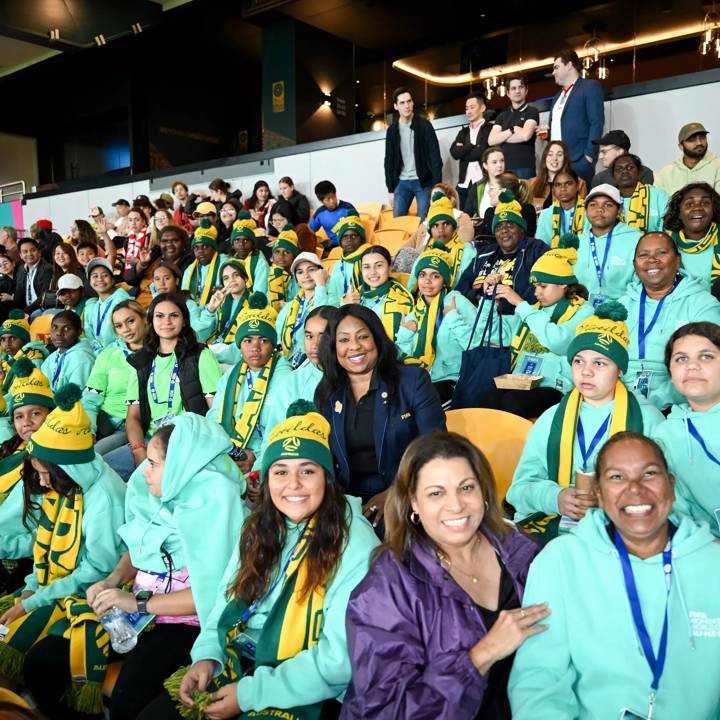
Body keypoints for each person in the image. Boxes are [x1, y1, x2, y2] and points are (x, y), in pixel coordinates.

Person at [151, 401, 379, 720]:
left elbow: (338, 661)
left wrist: (249, 694)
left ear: (327, 478)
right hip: (245, 660)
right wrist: (207, 656)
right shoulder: (257, 527)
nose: (293, 484)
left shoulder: (355, 543)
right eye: (281, 471)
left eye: (308, 471)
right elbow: (226, 600)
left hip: (312, 686)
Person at [34, 414, 245, 720]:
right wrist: (112, 581)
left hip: (183, 624)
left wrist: (137, 603)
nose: (144, 472)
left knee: (126, 702)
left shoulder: (214, 507)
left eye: (154, 464)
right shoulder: (156, 496)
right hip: (137, 610)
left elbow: (210, 598)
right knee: (43, 660)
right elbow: (140, 549)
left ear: (181, 467)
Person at [509, 432, 720, 720]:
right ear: (598, 492)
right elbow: (539, 681)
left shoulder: (712, 563)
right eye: (617, 477)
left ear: (671, 486)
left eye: (649, 474)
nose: (635, 489)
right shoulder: (560, 561)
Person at [343, 431, 546, 720]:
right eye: (436, 493)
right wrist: (481, 656)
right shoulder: (386, 588)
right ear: (413, 502)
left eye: (466, 488)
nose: (456, 505)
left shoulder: (519, 550)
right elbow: (386, 711)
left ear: (484, 492)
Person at [0, 384, 126, 718]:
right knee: (4, 635)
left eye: (44, 476)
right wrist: (30, 585)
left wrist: (33, 601)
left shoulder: (103, 498)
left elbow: (95, 571)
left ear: (64, 470)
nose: (41, 484)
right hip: (55, 585)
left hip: (93, 595)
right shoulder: (68, 481)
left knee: (43, 665)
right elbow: (48, 545)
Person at [507, 302, 664, 543]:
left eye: (599, 363)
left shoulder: (648, 421)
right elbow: (518, 490)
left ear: (619, 370)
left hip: (624, 528)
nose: (586, 372)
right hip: (559, 523)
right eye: (578, 361)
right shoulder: (551, 418)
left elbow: (666, 492)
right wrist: (555, 498)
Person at [314, 304, 446, 526]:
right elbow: (324, 459)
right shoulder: (327, 391)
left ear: (377, 339)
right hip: (347, 499)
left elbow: (437, 450)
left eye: (363, 337)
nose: (354, 346)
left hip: (407, 491)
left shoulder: (412, 381)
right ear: (333, 347)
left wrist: (396, 493)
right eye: (344, 340)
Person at [104, 293, 223, 481]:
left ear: (184, 321)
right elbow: (133, 417)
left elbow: (216, 411)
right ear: (151, 320)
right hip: (150, 440)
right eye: (159, 316)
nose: (166, 321)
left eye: (174, 315)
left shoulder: (200, 355)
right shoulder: (143, 360)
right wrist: (139, 452)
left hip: (187, 442)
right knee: (103, 470)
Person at [480, 235, 593, 418]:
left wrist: (520, 304)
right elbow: (490, 334)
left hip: (555, 386)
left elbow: (559, 341)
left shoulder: (584, 311)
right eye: (535, 287)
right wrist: (488, 299)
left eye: (543, 286)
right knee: (488, 399)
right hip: (521, 381)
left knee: (513, 403)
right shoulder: (533, 311)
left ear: (563, 283)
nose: (537, 292)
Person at [618, 233, 720, 410]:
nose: (652, 260)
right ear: (635, 265)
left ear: (677, 261)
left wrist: (658, 400)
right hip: (621, 395)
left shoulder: (702, 304)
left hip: (680, 399)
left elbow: (709, 365)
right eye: (644, 255)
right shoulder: (620, 306)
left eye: (661, 253)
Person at [208, 293, 292, 476]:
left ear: (273, 345)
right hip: (230, 453)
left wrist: (256, 459)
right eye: (248, 340)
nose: (255, 347)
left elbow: (281, 431)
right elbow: (215, 419)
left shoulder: (284, 377)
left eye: (263, 340)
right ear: (239, 345)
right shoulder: (230, 377)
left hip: (268, 458)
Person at [652, 322, 720, 536]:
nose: (692, 366)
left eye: (706, 356)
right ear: (671, 373)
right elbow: (675, 512)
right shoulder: (664, 436)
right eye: (681, 358)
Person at [456, 194, 548, 344]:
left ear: (522, 229)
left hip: (513, 321)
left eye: (510, 225)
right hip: (476, 316)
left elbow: (540, 290)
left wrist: (503, 305)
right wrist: (483, 301)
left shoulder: (536, 250)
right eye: (499, 227)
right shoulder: (484, 253)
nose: (504, 230)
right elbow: (461, 289)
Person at [0, 359, 55, 593]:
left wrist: (4, 546)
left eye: (35, 413)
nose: (27, 423)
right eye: (19, 416)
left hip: (17, 558)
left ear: (51, 415)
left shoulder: (55, 467)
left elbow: (49, 534)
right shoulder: (14, 451)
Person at [397, 249, 477, 406]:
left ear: (445, 281)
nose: (427, 281)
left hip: (452, 379)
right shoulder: (416, 309)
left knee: (423, 407)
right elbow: (401, 355)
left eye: (435, 276)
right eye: (422, 275)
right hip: (421, 378)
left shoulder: (458, 302)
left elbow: (475, 345)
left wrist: (454, 319)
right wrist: (405, 334)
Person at [82, 300, 148, 457]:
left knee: (94, 459)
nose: (126, 330)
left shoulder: (161, 350)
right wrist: (89, 431)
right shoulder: (108, 354)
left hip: (135, 426)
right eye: (119, 326)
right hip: (103, 423)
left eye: (130, 321)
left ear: (145, 319)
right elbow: (91, 398)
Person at [573, 183, 643, 305]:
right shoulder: (575, 242)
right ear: (586, 210)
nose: (599, 209)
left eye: (608, 205)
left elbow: (641, 285)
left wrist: (614, 307)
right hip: (580, 310)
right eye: (593, 205)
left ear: (619, 210)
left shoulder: (637, 240)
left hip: (624, 311)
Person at [546, 49, 604, 185]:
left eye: (556, 67)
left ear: (569, 65)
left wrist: (589, 156)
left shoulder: (590, 87)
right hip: (556, 164)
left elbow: (596, 122)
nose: (553, 72)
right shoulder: (556, 97)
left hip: (579, 161)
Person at [384, 86, 442, 219]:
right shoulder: (392, 130)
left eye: (409, 101)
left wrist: (436, 186)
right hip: (402, 182)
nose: (407, 106)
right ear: (396, 106)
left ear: (413, 103)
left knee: (424, 221)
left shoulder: (424, 126)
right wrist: (391, 189)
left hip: (423, 181)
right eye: (402, 103)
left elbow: (435, 158)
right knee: (398, 221)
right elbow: (389, 161)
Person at [408, 195, 477, 292]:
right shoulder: (424, 252)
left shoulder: (467, 250)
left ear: (453, 227)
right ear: (430, 230)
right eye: (436, 225)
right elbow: (411, 286)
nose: (441, 230)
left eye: (446, 224)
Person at [276, 251, 331, 368]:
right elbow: (278, 338)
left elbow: (319, 321)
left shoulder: (332, 300)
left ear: (321, 272)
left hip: (317, 361)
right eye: (300, 272)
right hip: (287, 361)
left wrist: (321, 286)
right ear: (296, 278)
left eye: (311, 270)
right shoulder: (289, 307)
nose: (305, 275)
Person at [663, 182, 720, 291]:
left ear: (714, 209)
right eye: (689, 204)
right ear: (679, 212)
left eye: (705, 203)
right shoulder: (666, 244)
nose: (697, 208)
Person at [125, 224, 193, 307]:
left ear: (183, 243)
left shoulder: (188, 261)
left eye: (174, 241)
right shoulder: (155, 254)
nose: (169, 245)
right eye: (164, 241)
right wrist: (142, 263)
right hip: (136, 301)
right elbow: (129, 279)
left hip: (161, 305)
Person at [488, 76, 540, 179]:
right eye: (513, 88)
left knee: (524, 195)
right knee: (506, 196)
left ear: (526, 91)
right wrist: (513, 130)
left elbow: (525, 136)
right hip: (504, 168)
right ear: (508, 93)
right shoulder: (502, 116)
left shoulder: (532, 111)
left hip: (525, 168)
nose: (517, 91)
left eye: (520, 87)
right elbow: (491, 141)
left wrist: (502, 138)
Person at [357, 245, 413, 341]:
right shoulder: (355, 295)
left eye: (379, 265)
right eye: (366, 267)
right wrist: (345, 306)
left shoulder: (401, 299)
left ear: (389, 267)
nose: (372, 272)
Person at [200, 258, 251, 360]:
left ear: (245, 278)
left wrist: (214, 356)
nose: (232, 280)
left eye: (236, 275)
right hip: (214, 349)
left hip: (236, 357)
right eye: (226, 278)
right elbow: (202, 335)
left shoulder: (254, 303)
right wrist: (210, 310)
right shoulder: (220, 301)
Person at [450, 91, 493, 211]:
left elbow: (482, 152)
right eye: (466, 108)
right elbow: (454, 153)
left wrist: (463, 152)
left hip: (482, 181)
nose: (468, 111)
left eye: (472, 107)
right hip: (463, 183)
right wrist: (472, 146)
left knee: (481, 217)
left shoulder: (489, 129)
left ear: (482, 107)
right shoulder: (463, 132)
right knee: (462, 219)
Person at [286, 305, 335, 404]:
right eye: (309, 336)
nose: (314, 345)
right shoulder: (294, 381)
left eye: (323, 337)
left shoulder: (355, 378)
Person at [655, 122, 720, 196]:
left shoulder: (718, 166)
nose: (699, 143)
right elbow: (656, 203)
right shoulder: (666, 173)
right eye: (692, 139)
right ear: (681, 146)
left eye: (702, 137)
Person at [83, 258, 132, 353]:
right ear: (89, 282)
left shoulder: (122, 300)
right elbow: (91, 337)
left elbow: (127, 334)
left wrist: (105, 354)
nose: (100, 279)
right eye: (95, 276)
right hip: (102, 356)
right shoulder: (95, 305)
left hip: (122, 353)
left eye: (105, 275)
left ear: (113, 280)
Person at [612, 154, 669, 234]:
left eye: (630, 168)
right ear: (613, 176)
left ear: (639, 172)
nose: (624, 171)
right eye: (619, 169)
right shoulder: (610, 199)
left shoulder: (658, 195)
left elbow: (669, 229)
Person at [40, 311, 95, 392]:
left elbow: (76, 396)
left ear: (79, 332)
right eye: (55, 327)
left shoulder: (82, 359)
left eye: (66, 329)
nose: (58, 333)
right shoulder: (51, 358)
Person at [528, 140, 588, 211]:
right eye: (550, 154)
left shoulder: (579, 183)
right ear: (545, 158)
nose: (554, 159)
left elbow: (582, 211)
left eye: (559, 155)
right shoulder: (531, 183)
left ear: (565, 159)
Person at [0, 311, 48, 398]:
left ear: (25, 340)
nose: (7, 343)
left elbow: (25, 392)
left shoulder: (33, 358)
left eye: (13, 338)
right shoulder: (4, 358)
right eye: (3, 339)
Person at [181, 218, 227, 306]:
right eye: (196, 247)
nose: (200, 251)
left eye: (205, 247)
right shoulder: (190, 269)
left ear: (214, 248)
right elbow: (184, 296)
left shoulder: (225, 263)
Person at [535, 169, 587, 248]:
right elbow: (540, 247)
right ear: (553, 190)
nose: (563, 189)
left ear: (577, 186)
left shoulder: (589, 211)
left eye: (568, 184)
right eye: (558, 185)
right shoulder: (545, 215)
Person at [326, 216, 372, 304]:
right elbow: (332, 296)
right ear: (340, 241)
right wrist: (343, 302)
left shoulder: (371, 259)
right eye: (345, 237)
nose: (349, 240)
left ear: (362, 239)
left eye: (354, 236)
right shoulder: (338, 265)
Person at [590, 129, 654, 188]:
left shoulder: (644, 174)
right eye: (599, 152)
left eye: (604, 152)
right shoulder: (599, 179)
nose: (600, 157)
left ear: (620, 151)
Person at [231, 212, 270, 295]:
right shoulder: (230, 262)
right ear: (233, 245)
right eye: (237, 240)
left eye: (246, 240)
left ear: (253, 243)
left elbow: (259, 294)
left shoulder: (260, 263)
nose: (241, 244)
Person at [308, 180, 356, 248]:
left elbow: (357, 230)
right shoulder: (319, 213)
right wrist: (314, 243)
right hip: (333, 245)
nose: (332, 201)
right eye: (328, 199)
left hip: (350, 243)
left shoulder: (348, 208)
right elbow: (310, 231)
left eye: (333, 196)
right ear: (321, 201)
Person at [464, 147, 506, 223]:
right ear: (485, 165)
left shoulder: (512, 184)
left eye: (502, 161)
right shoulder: (476, 187)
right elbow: (467, 214)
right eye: (494, 162)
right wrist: (473, 221)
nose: (499, 165)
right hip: (482, 232)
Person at [14, 238, 52, 315]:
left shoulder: (47, 269)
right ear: (20, 255)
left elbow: (44, 297)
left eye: (33, 250)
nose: (29, 254)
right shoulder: (21, 269)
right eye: (25, 251)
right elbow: (18, 293)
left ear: (39, 253)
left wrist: (25, 312)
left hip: (42, 309)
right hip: (26, 310)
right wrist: (15, 311)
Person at [267, 225, 300, 310]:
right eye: (277, 252)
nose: (281, 256)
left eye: (286, 252)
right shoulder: (271, 274)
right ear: (272, 256)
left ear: (294, 256)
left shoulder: (299, 275)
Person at [0, 254, 16, 322]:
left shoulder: (22, 274)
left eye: (5, 263)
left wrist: (11, 298)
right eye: (0, 266)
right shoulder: (4, 280)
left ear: (13, 263)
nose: (3, 266)